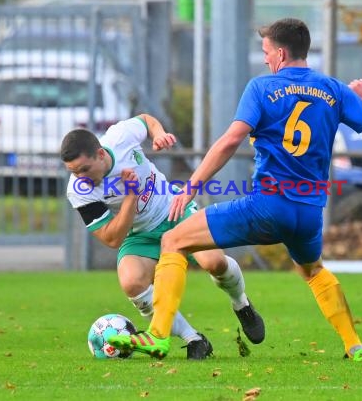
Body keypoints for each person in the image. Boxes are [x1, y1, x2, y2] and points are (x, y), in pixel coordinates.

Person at [107, 18, 362, 361]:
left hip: (267, 207)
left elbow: (231, 140)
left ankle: (158, 336)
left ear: (282, 52)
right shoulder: (333, 89)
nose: (264, 59)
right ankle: (355, 346)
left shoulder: (261, 88)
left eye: (266, 51)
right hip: (308, 213)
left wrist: (190, 188)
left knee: (173, 240)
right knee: (313, 270)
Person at [60, 114, 265, 360]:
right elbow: (111, 238)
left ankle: (241, 304)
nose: (81, 177)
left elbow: (146, 120)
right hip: (138, 234)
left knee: (214, 263)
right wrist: (131, 196)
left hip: (174, 210)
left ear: (101, 154)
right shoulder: (79, 190)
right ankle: (194, 339)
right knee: (132, 282)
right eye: (74, 172)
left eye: (85, 169)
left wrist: (158, 134)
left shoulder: (120, 136)